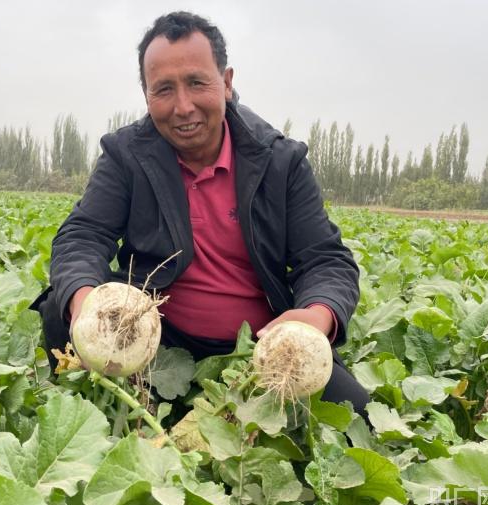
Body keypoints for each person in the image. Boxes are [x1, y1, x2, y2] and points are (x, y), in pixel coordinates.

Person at [31, 11, 370, 415]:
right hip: (153, 341)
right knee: (59, 305)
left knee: (357, 418)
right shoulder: (127, 155)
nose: (183, 106)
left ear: (226, 83)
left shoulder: (280, 161)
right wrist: (86, 306)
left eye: (196, 83)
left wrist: (318, 316)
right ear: (146, 96)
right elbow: (83, 235)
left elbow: (326, 259)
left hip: (260, 350)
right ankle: (100, 411)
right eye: (164, 90)